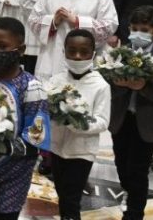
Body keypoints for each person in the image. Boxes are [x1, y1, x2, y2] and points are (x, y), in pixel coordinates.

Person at [0, 17, 50, 220]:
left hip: (13, 173)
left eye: (3, 46)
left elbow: (37, 137)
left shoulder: (31, 87)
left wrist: (2, 146)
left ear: (21, 50)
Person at [109, 5, 153, 220]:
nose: (139, 33)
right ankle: (131, 191)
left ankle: (135, 213)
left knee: (138, 170)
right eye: (135, 28)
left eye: (144, 29)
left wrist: (144, 87)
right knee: (121, 164)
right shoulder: (121, 54)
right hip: (122, 120)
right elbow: (108, 85)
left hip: (147, 125)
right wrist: (118, 83)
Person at [47, 29, 111, 220]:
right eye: (72, 51)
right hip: (57, 148)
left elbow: (102, 121)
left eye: (83, 52)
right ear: (64, 52)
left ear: (92, 54)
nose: (77, 56)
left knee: (71, 197)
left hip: (82, 151)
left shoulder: (100, 85)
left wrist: (78, 123)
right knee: (61, 193)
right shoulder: (56, 81)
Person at [28, 0, 118, 82]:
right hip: (53, 56)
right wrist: (53, 21)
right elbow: (33, 20)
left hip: (84, 58)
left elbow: (109, 26)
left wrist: (78, 21)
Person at [20, 0, 61, 74]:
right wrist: (46, 11)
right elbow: (25, 4)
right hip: (33, 29)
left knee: (49, 64)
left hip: (52, 30)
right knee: (31, 66)